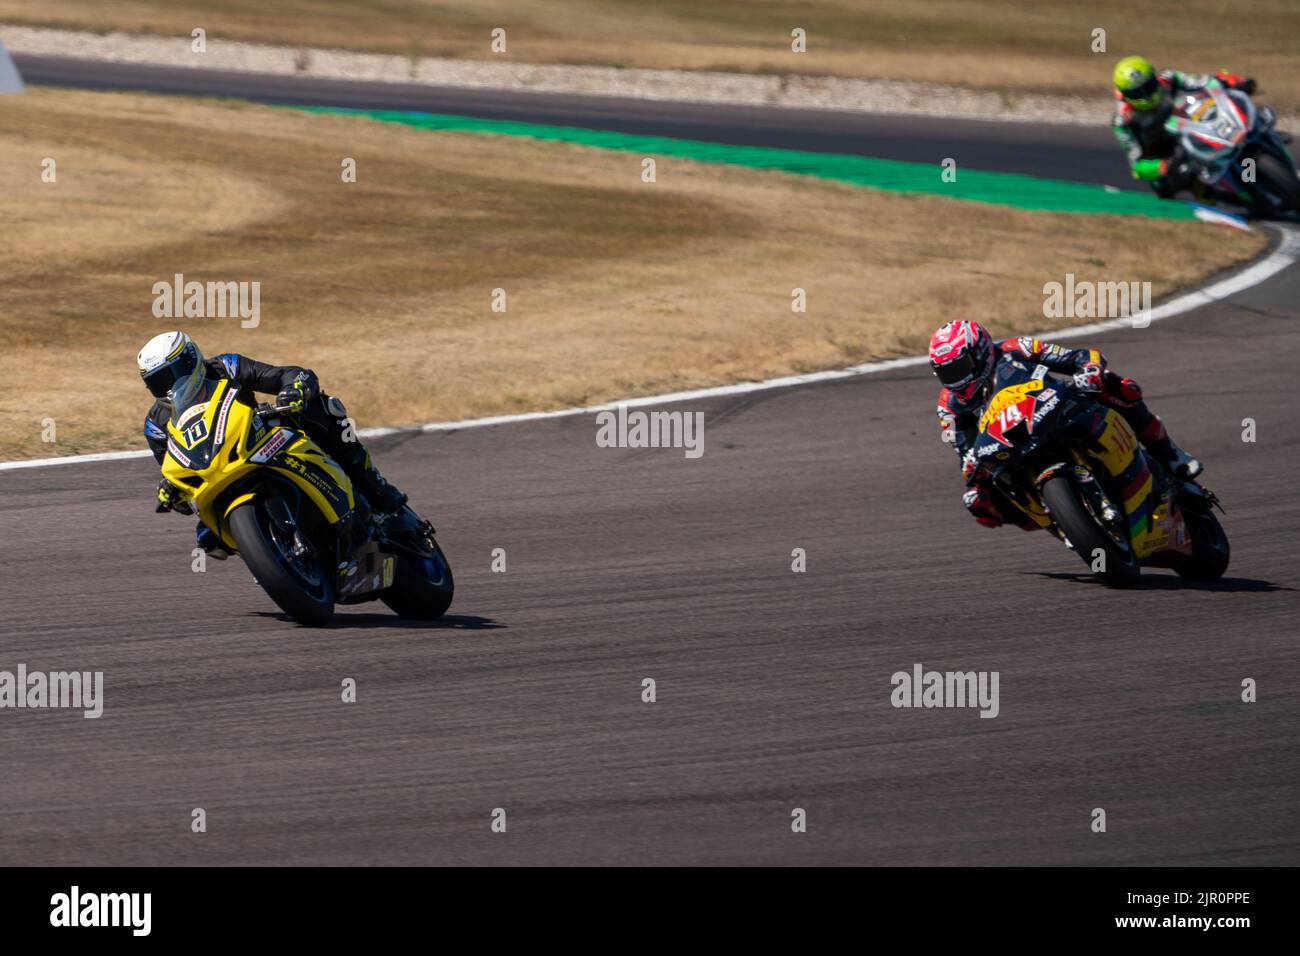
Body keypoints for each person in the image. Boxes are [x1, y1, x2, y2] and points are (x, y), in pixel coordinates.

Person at [137, 331, 407, 557]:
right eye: (157, 382)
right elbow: (175, 468)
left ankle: (373, 484)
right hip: (218, 472)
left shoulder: (225, 367)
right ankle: (273, 554)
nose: (170, 387)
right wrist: (174, 493)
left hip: (263, 438)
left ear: (191, 360)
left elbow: (286, 375)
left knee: (320, 407)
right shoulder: (156, 424)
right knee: (208, 538)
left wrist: (294, 388)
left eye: (172, 375)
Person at [929, 320, 1201, 530]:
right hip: (1011, 447)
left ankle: (1169, 454)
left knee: (1117, 386)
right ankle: (1061, 521)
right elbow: (964, 452)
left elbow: (1076, 357)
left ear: (980, 352)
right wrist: (972, 475)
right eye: (947, 373)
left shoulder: (1018, 349)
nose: (956, 379)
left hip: (1057, 409)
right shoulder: (949, 406)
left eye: (960, 368)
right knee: (979, 503)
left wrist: (1089, 370)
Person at [1111, 55, 1256, 198]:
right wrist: (1162, 166)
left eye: (1149, 86)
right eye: (1137, 93)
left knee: (1234, 103)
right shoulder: (1123, 121)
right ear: (1123, 96)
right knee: (1179, 184)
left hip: (1185, 123)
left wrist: (1231, 80)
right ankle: (1233, 198)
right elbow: (1137, 167)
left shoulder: (1168, 78)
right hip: (1164, 151)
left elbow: (1202, 81)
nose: (1147, 95)